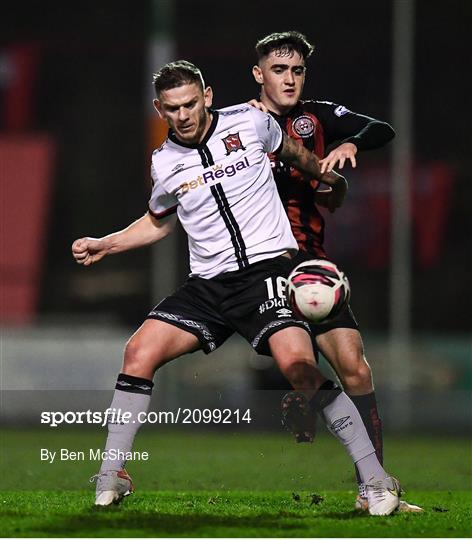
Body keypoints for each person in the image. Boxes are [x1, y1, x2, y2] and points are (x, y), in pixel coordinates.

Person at [73, 60, 401, 515]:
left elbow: (292, 153)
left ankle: (377, 480)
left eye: (190, 103)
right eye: (172, 109)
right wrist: (106, 243)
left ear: (206, 96)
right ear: (159, 109)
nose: (183, 115)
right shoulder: (164, 162)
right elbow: (157, 220)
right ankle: (113, 474)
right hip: (207, 286)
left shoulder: (250, 122)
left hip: (266, 275)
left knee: (300, 369)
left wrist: (328, 178)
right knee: (138, 353)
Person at [250, 31, 422, 513]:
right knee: (302, 368)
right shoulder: (238, 123)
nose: (289, 79)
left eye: (297, 70)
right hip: (255, 263)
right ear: (258, 75)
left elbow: (381, 129)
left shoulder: (316, 117)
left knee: (355, 366)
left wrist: (347, 144)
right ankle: (302, 395)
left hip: (309, 262)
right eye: (279, 70)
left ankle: (375, 488)